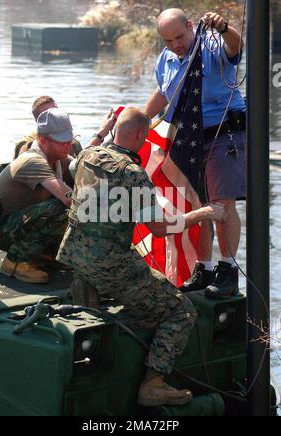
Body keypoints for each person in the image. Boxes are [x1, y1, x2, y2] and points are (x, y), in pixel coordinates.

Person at [57, 107, 226, 406]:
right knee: (181, 311)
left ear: (114, 131)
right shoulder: (133, 174)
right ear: (139, 135)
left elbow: (75, 166)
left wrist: (102, 132)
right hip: (109, 263)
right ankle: (153, 383)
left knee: (103, 300)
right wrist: (202, 213)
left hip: (75, 257)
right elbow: (159, 229)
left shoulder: (87, 156)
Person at [144, 9, 246, 299]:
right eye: (168, 41)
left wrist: (225, 28)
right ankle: (204, 268)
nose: (175, 44)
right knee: (200, 205)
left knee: (222, 203)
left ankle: (228, 272)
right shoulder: (166, 58)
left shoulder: (212, 44)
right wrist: (140, 120)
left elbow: (235, 47)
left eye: (179, 37)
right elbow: (164, 93)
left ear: (191, 26)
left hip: (222, 133)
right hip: (189, 138)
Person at [0, 107, 115, 284]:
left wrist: (104, 135)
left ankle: (44, 253)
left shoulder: (57, 159)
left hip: (22, 224)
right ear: (43, 140)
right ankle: (15, 261)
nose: (68, 145)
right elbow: (68, 198)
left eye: (69, 140)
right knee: (61, 208)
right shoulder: (32, 160)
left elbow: (82, 166)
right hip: (2, 230)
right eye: (62, 142)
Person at [14, 96, 82, 159]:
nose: (55, 115)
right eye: (47, 115)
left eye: (56, 111)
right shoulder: (25, 145)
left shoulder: (73, 142)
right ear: (37, 120)